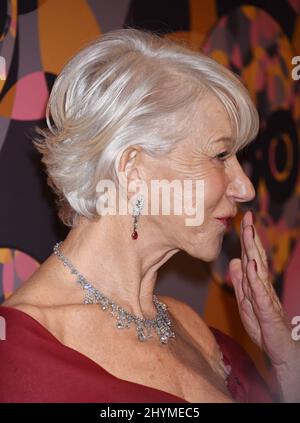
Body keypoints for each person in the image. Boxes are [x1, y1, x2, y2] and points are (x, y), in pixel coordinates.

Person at [0, 28, 299, 403]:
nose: (246, 188)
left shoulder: (193, 330)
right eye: (221, 156)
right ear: (133, 169)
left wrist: (288, 365)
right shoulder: (19, 354)